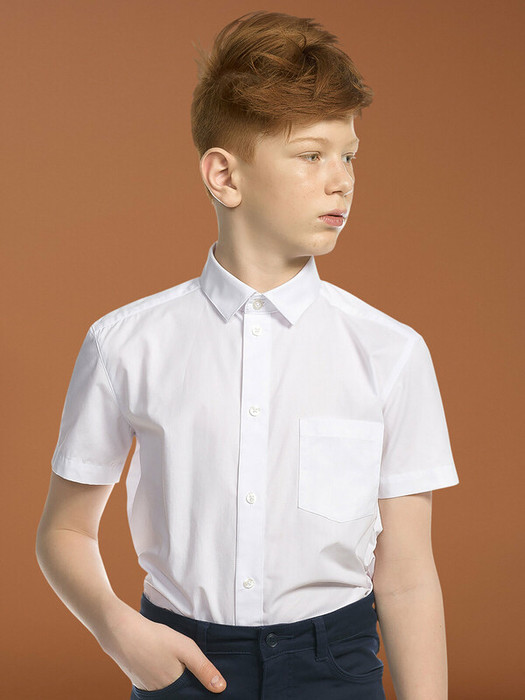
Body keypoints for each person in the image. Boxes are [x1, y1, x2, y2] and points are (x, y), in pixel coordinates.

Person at [36, 10, 460, 700]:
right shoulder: (125, 343)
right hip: (181, 661)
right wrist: (121, 633)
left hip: (335, 664)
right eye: (311, 155)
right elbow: (63, 529)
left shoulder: (391, 352)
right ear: (224, 176)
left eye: (349, 155)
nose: (341, 180)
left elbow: (407, 576)